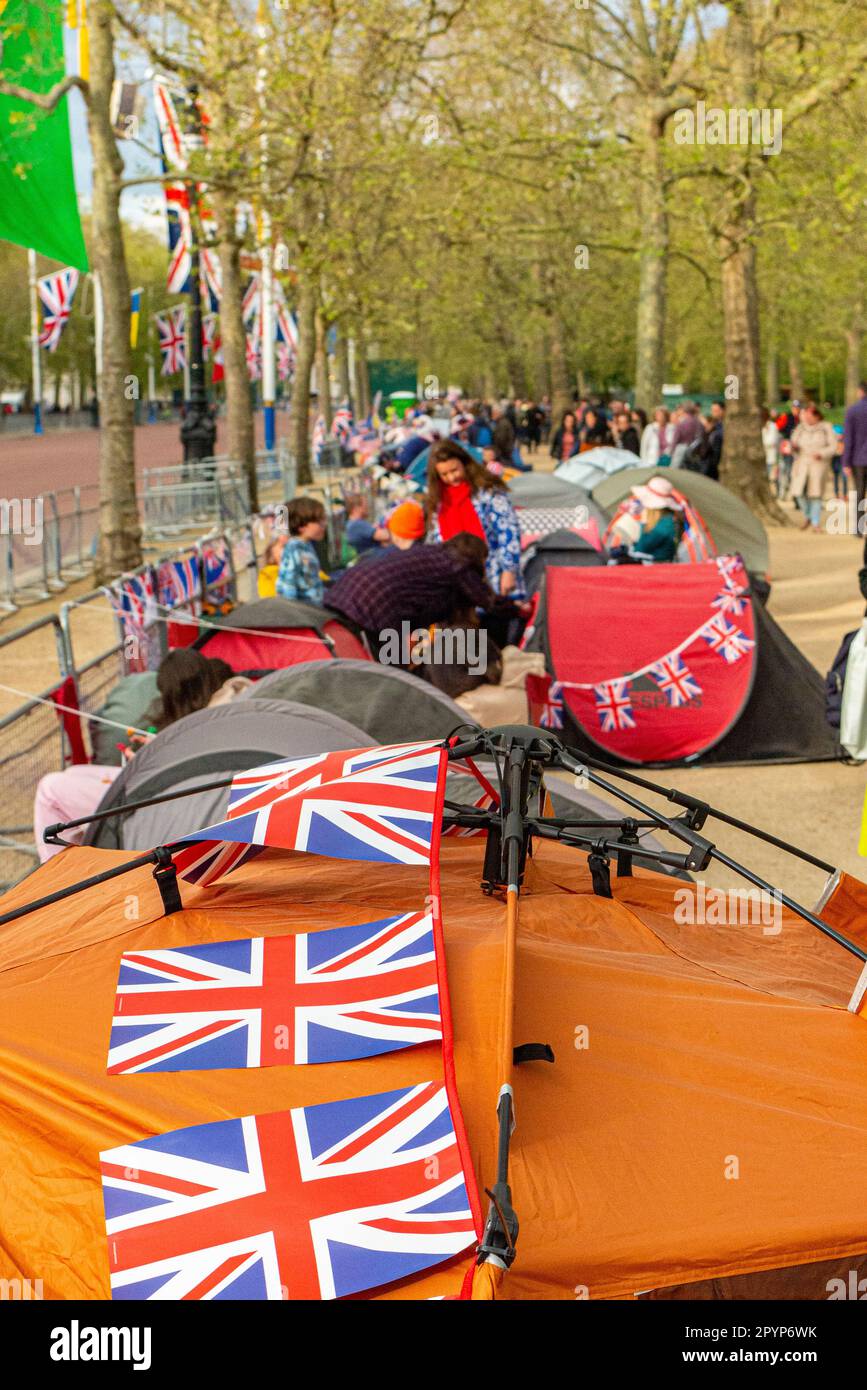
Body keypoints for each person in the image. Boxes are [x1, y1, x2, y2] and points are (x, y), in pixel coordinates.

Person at [32, 652, 244, 862]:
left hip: (171, 803)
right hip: (172, 790)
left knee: (50, 789)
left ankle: (61, 877)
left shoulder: (207, 720)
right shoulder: (226, 705)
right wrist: (153, 754)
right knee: (73, 773)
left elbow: (195, 771)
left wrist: (151, 763)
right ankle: (79, 863)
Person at [325, 532, 495, 652]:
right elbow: (487, 601)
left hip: (341, 593)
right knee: (391, 673)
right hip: (374, 608)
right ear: (476, 558)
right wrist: (515, 607)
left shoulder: (429, 553)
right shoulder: (457, 563)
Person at [426, 438, 524, 598]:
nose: (451, 478)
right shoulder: (437, 501)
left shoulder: (487, 491)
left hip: (493, 575)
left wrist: (509, 570)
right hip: (457, 582)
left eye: (454, 470)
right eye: (444, 474)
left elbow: (508, 530)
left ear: (464, 463)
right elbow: (436, 541)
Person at [791, 402, 836, 531]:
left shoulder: (826, 427)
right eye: (805, 415)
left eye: (809, 415)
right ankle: (808, 515)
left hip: (818, 465)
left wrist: (821, 454)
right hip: (802, 463)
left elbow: (833, 446)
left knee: (815, 494)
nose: (806, 418)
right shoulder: (801, 428)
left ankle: (815, 522)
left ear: (816, 416)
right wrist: (794, 447)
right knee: (798, 492)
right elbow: (793, 442)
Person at [275, 496, 327, 603]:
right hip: (303, 612)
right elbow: (287, 584)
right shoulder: (293, 549)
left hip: (316, 608)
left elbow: (311, 581)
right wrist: (294, 614)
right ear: (302, 526)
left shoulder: (307, 545)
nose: (324, 525)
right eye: (319, 521)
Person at [629, 476, 683, 563]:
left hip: (655, 567)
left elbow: (641, 548)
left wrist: (641, 522)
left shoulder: (664, 525)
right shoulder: (669, 519)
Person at [843, 382, 867, 510]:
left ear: (860, 391)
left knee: (859, 491)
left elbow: (849, 438)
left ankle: (859, 526)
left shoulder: (853, 410)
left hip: (858, 459)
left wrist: (846, 462)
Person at [762, 408, 781, 494]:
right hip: (763, 458)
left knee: (773, 477)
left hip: (771, 457)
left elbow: (772, 441)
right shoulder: (759, 426)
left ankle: (777, 492)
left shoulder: (772, 426)